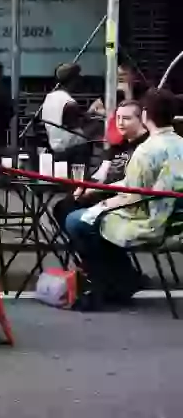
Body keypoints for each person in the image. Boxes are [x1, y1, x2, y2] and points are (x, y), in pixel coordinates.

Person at [65, 89, 183, 309]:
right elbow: (138, 186)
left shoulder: (147, 151)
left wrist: (102, 205)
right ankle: (120, 280)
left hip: (148, 222)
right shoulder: (180, 144)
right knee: (88, 219)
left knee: (76, 221)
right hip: (175, 221)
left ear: (145, 115)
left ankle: (109, 285)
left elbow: (133, 195)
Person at [52, 100, 148, 229]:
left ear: (141, 120)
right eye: (118, 118)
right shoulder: (117, 147)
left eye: (126, 118)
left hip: (120, 200)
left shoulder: (146, 146)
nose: (120, 123)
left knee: (68, 212)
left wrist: (95, 190)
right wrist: (84, 186)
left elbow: (134, 183)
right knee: (62, 207)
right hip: (98, 194)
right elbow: (101, 173)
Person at [40, 63, 90, 157]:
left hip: (54, 146)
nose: (80, 80)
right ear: (72, 80)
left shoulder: (49, 97)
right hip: (72, 150)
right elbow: (73, 128)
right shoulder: (69, 102)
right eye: (78, 77)